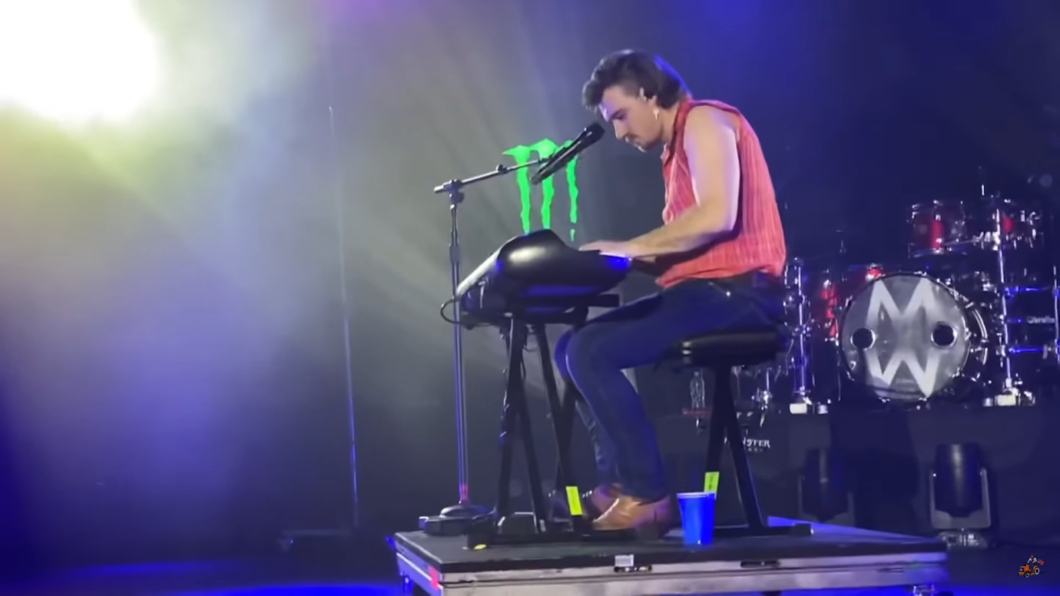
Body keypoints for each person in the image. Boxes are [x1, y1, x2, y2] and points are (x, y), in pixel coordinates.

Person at [553, 49, 788, 535]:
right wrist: (610, 260)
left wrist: (629, 247)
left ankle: (646, 492)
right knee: (568, 348)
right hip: (704, 291)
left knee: (592, 350)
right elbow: (688, 248)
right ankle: (620, 482)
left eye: (621, 116)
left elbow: (716, 216)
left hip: (738, 294)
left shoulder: (705, 120)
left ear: (650, 94)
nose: (619, 133)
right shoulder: (674, 151)